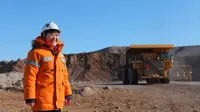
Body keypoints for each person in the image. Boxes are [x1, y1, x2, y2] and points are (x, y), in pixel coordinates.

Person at [23, 21, 72, 112]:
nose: (55, 38)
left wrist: (68, 93)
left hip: (57, 104)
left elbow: (64, 77)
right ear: (44, 36)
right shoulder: (35, 53)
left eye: (57, 35)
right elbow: (30, 76)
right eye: (51, 34)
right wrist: (30, 97)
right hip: (42, 103)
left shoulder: (60, 56)